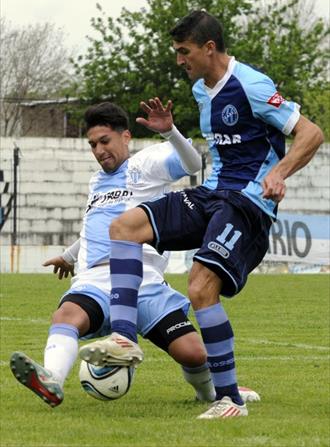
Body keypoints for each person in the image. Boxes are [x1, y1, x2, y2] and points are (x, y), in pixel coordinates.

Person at [79, 11, 324, 419]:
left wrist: (279, 173)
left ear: (209, 48)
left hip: (247, 204)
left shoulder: (251, 84)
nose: (179, 60)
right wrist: (169, 130)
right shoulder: (201, 90)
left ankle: (230, 400)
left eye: (184, 51)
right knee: (124, 227)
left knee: (199, 287)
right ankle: (123, 340)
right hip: (213, 193)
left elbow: (311, 133)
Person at [10, 102, 257, 408]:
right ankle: (52, 381)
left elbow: (193, 163)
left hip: (146, 283)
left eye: (104, 142)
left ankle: (212, 394)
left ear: (125, 136)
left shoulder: (146, 165)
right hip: (96, 280)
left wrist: (169, 132)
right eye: (92, 145)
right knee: (66, 316)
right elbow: (95, 227)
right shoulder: (96, 182)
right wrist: (69, 256)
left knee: (194, 353)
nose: (99, 151)